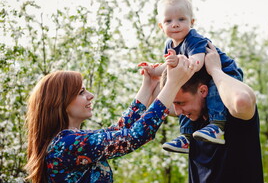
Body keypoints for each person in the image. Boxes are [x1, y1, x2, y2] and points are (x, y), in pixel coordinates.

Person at [25, 56, 197, 183]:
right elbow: (133, 137)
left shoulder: (71, 139)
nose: (90, 96)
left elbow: (119, 131)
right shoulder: (67, 144)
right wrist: (172, 84)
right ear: (59, 102)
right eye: (81, 92)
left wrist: (148, 86)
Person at [142, 0, 244, 153]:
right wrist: (154, 70)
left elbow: (197, 61)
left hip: (224, 73)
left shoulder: (193, 39)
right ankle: (187, 136)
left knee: (214, 90)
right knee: (180, 98)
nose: (175, 25)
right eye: (168, 21)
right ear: (161, 26)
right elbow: (169, 66)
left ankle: (217, 126)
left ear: (192, 22)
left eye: (181, 19)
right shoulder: (169, 44)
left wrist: (182, 63)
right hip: (200, 78)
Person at [161, 42, 264, 182]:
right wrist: (149, 80)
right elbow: (154, 106)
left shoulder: (230, 112)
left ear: (203, 90)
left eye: (180, 103)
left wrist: (215, 70)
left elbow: (242, 101)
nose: (177, 112)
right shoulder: (192, 119)